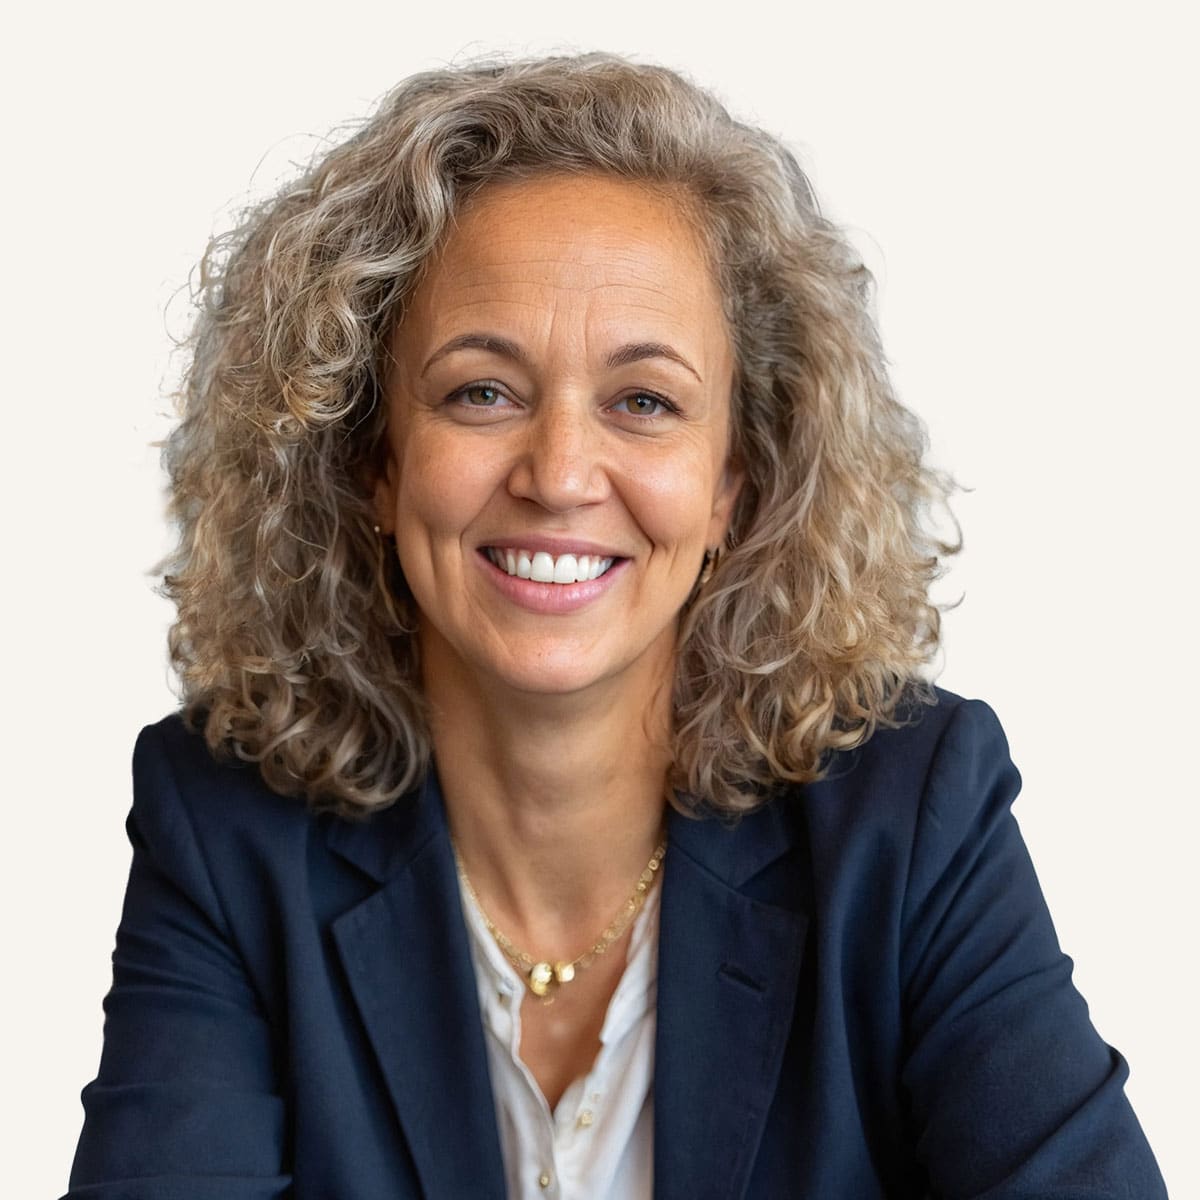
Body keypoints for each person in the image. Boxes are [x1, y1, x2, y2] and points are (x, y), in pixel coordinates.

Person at [65, 53, 1166, 1199]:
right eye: (480, 392)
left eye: (644, 402)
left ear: (732, 483)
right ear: (373, 464)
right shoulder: (226, 826)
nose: (560, 473)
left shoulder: (911, 817)